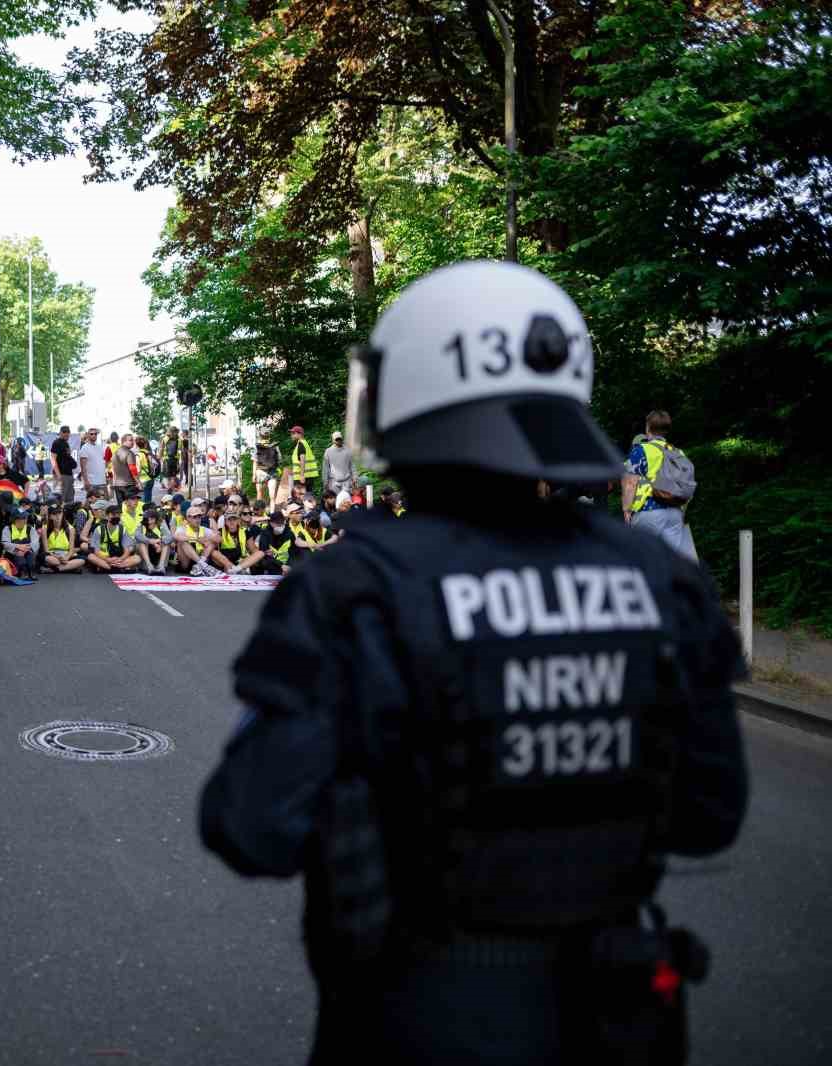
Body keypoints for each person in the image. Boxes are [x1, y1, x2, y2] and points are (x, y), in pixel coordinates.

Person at [200, 260, 746, 1066]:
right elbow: (710, 813)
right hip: (620, 1011)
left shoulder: (357, 585)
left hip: (416, 1013)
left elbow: (249, 824)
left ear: (407, 394)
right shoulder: (663, 580)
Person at [622, 410, 699, 562]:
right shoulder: (678, 452)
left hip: (648, 512)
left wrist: (626, 509)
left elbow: (630, 482)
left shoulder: (641, 450)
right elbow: (686, 484)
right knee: (671, 565)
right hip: (674, 514)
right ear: (666, 429)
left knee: (644, 563)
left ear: (648, 428)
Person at [85, 505, 140, 574]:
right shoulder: (99, 529)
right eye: (113, 514)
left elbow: (127, 550)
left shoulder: (123, 529)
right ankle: (117, 568)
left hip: (118, 557)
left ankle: (109, 568)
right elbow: (96, 551)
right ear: (107, 516)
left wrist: (120, 559)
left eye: (118, 515)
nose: (116, 517)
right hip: (103, 557)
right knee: (91, 556)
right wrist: (108, 559)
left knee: (137, 558)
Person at [209, 509, 258, 574]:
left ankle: (237, 570)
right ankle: (233, 569)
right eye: (229, 519)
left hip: (240, 561)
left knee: (258, 553)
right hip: (225, 561)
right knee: (213, 552)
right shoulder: (220, 532)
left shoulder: (245, 532)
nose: (232, 522)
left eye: (234, 519)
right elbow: (212, 548)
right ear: (225, 521)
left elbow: (253, 550)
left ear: (238, 520)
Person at [0, 507, 41, 579]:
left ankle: (31, 571)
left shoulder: (30, 529)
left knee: (30, 556)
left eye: (25, 517)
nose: (25, 520)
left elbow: (36, 542)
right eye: (22, 518)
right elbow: (5, 543)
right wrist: (18, 547)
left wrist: (26, 549)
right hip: (13, 553)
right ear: (15, 519)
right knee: (19, 556)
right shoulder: (7, 529)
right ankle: (22, 572)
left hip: (27, 550)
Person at [40, 507, 84, 574]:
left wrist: (66, 558)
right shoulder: (45, 528)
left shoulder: (70, 529)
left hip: (66, 553)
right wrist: (57, 556)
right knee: (53, 561)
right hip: (52, 554)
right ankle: (70, 567)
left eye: (60, 513)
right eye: (54, 514)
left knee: (82, 560)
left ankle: (56, 569)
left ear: (63, 514)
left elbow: (71, 549)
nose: (58, 516)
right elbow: (46, 550)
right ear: (50, 516)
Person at [254, 505, 296, 576]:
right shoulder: (265, 534)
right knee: (263, 561)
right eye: (277, 523)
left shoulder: (289, 533)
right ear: (271, 523)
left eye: (282, 523)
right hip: (273, 564)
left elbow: (294, 552)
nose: (280, 526)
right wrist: (281, 565)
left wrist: (288, 565)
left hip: (288, 564)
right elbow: (264, 554)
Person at [133, 507, 173, 574]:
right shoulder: (141, 524)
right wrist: (150, 541)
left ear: (154, 519)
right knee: (141, 543)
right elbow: (137, 535)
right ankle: (149, 566)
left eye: (147, 518)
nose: (145, 519)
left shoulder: (161, 523)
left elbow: (169, 537)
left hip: (158, 552)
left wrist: (160, 541)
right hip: (147, 553)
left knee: (166, 544)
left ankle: (161, 566)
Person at [77, 428, 107, 502]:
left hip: (102, 481)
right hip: (92, 482)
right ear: (87, 435)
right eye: (91, 434)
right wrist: (86, 481)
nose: (93, 435)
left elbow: (102, 463)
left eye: (95, 434)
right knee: (92, 504)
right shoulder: (84, 448)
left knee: (102, 503)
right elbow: (83, 467)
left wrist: (106, 477)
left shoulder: (100, 447)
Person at [322, 429, 354, 500]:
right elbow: (325, 468)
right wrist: (325, 481)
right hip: (334, 482)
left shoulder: (348, 450)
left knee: (346, 501)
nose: (338, 441)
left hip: (346, 481)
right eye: (336, 439)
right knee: (335, 501)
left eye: (340, 439)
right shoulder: (328, 451)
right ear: (333, 440)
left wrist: (355, 477)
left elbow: (352, 465)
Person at [289, 424, 316, 498]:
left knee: (299, 497)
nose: (291, 435)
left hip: (301, 477)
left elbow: (302, 459)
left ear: (299, 434)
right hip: (308, 476)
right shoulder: (304, 443)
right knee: (308, 497)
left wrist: (301, 475)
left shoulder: (301, 444)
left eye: (293, 433)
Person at [110, 433, 138, 500]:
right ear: (124, 441)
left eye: (133, 440)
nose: (133, 442)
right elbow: (132, 468)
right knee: (130, 506)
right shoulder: (129, 453)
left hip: (117, 484)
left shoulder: (116, 452)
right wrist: (138, 482)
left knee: (121, 507)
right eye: (130, 440)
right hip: (128, 484)